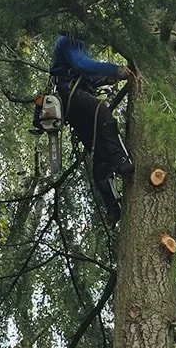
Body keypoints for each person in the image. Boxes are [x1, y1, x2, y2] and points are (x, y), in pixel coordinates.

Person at [44, 33, 137, 221]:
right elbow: (82, 64)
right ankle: (120, 160)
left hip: (77, 101)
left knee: (99, 152)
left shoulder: (77, 45)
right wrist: (114, 69)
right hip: (70, 95)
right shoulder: (67, 41)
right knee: (101, 109)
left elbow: (86, 76)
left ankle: (112, 206)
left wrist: (105, 79)